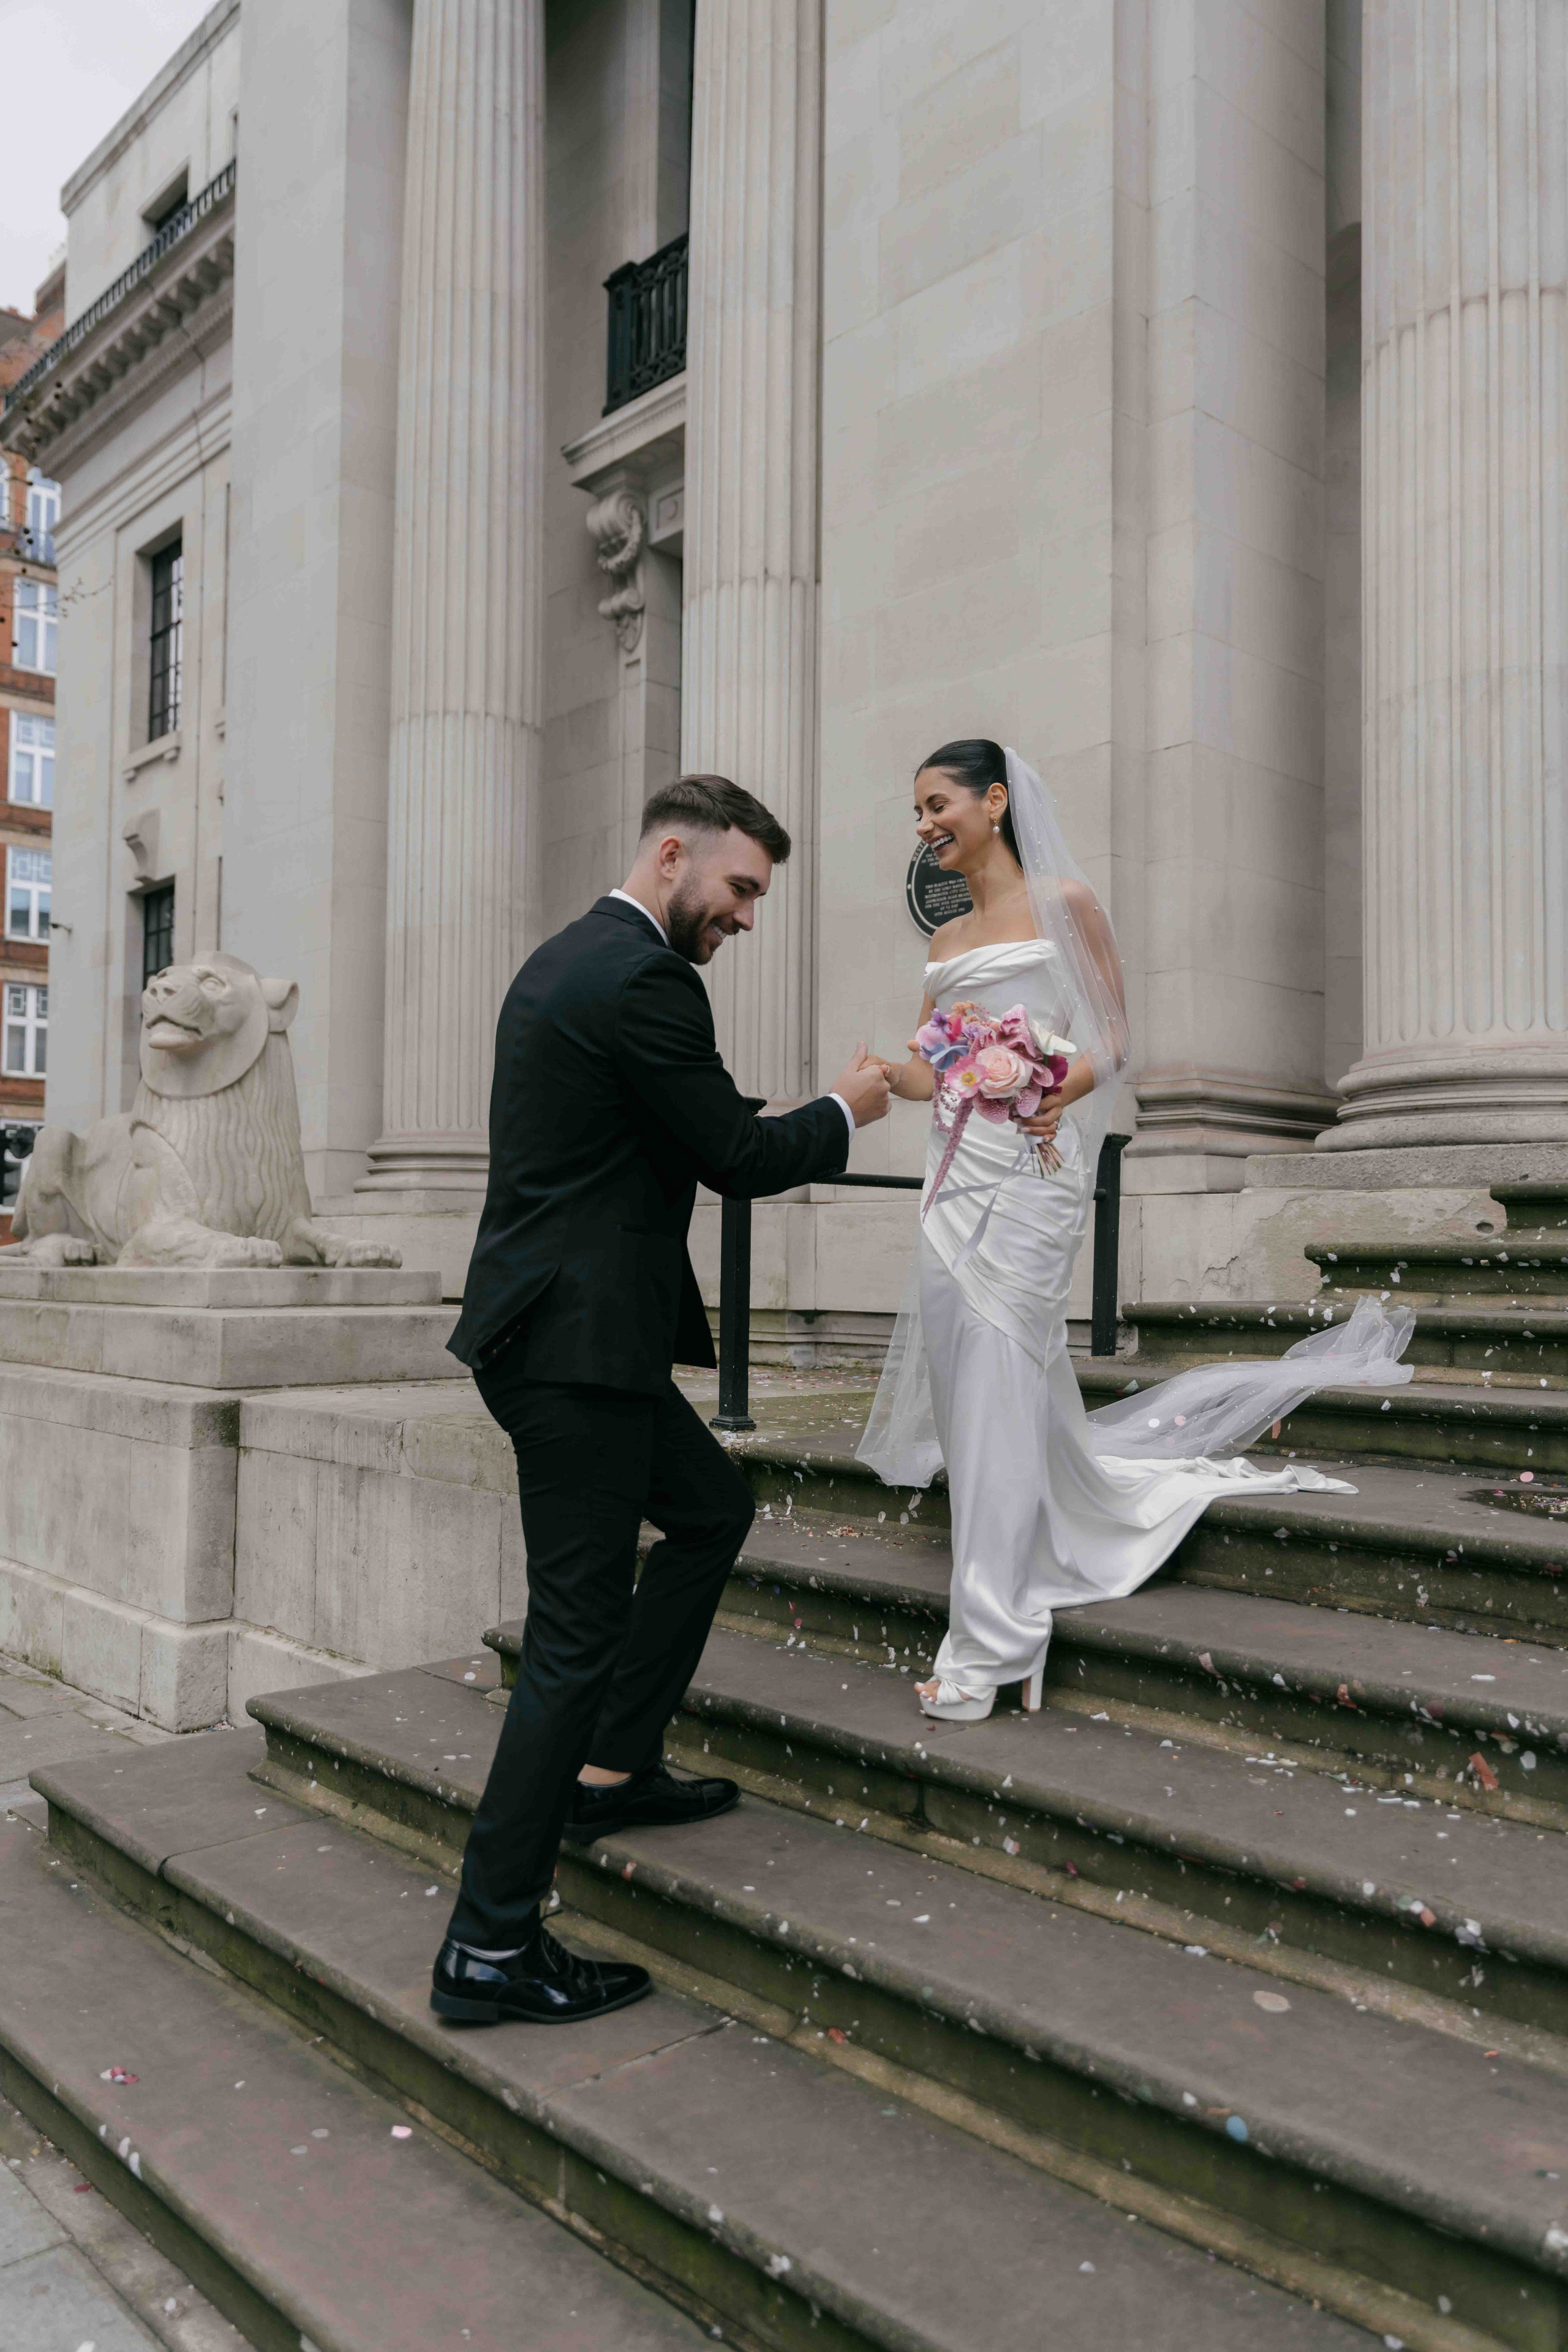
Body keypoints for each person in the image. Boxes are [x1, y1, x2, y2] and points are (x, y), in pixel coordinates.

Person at [432, 775, 890, 2025]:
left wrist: (781, 1117)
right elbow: (734, 1158)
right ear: (674, 855)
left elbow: (678, 1122)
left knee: (710, 1513)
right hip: (574, 1356)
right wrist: (844, 1110)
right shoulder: (643, 977)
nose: (746, 915)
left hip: (581, 1343)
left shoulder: (566, 961)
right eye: (740, 887)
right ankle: (488, 1944)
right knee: (572, 1637)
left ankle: (613, 1767)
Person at [862, 741, 1414, 1724]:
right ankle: (1031, 1554)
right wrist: (878, 1081)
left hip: (1030, 1180)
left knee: (996, 1381)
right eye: (917, 811)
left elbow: (1114, 1038)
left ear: (996, 801)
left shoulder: (1067, 903)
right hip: (952, 1187)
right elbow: (928, 1069)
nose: (924, 825)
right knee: (974, 1390)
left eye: (938, 804)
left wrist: (1052, 1082)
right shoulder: (944, 940)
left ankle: (994, 1642)